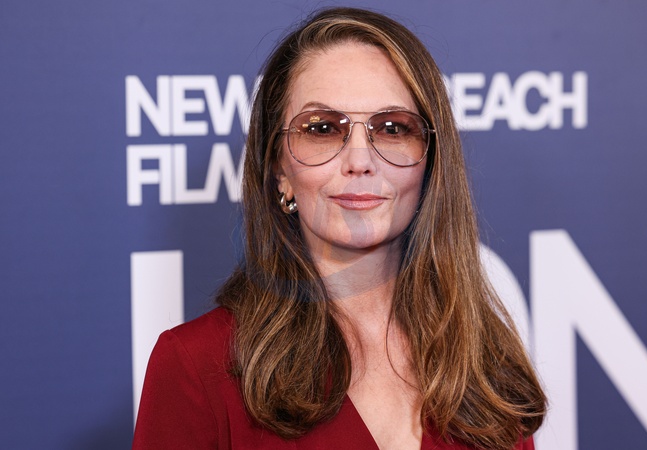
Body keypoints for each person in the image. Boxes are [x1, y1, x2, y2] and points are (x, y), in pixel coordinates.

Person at [132, 7, 547, 450]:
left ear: (430, 162)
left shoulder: (485, 367)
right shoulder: (197, 367)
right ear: (280, 170)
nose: (360, 161)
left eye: (392, 128)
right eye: (323, 129)